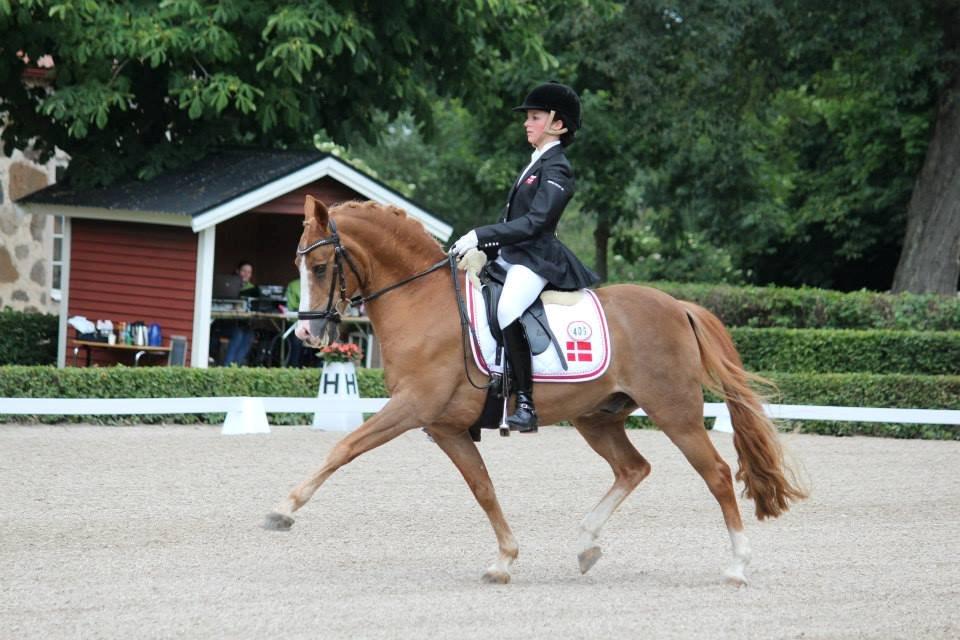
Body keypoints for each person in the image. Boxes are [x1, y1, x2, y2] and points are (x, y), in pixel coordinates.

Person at [449, 81, 600, 433]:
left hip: (537, 259)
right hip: (514, 255)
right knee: (472, 301)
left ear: (557, 124)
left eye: (535, 117)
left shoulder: (557, 167)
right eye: (528, 117)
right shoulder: (535, 163)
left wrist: (480, 235)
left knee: (507, 310)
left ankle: (526, 403)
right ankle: (478, 401)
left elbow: (536, 223)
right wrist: (481, 248)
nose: (526, 123)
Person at [222, 260, 258, 366]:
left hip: (242, 323)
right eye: (244, 271)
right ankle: (227, 366)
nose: (246, 274)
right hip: (224, 323)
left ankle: (236, 367)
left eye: (249, 272)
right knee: (238, 334)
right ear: (237, 271)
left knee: (250, 335)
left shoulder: (253, 289)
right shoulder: (228, 285)